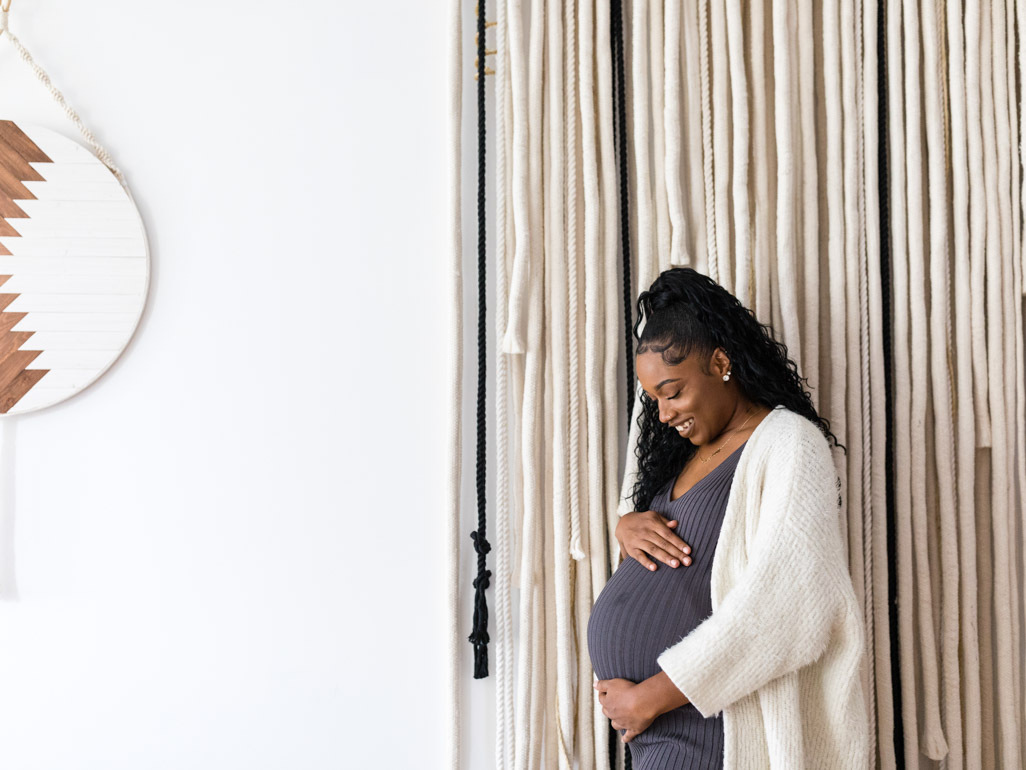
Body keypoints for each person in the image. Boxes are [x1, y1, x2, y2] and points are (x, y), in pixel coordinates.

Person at [586, 267, 870, 769]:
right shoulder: (682, 457)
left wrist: (649, 696)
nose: (664, 414)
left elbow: (789, 607)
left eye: (673, 393)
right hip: (663, 733)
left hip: (720, 736)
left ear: (720, 363)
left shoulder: (789, 445)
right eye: (653, 401)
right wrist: (625, 524)